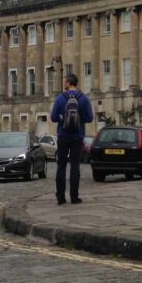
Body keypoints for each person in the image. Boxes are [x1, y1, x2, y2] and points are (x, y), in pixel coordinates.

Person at [50, 72, 93, 205]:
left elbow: (53, 118)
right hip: (77, 136)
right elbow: (90, 118)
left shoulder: (60, 98)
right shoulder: (84, 98)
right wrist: (80, 120)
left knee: (61, 166)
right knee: (75, 166)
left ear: (69, 83)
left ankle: (60, 197)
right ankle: (74, 197)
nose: (64, 83)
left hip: (63, 135)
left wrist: (62, 118)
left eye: (65, 81)